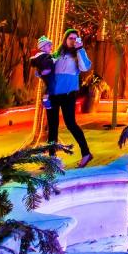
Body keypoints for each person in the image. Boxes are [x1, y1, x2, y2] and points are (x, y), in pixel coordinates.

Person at [49, 29, 93, 168]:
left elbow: (86, 67)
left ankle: (86, 153)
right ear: (65, 39)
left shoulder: (78, 54)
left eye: (75, 38)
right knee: (52, 127)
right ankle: (52, 160)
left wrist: (80, 49)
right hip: (53, 94)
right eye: (70, 37)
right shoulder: (57, 53)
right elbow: (45, 71)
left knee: (71, 124)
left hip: (68, 95)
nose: (73, 40)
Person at [30, 35, 56, 110]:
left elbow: (37, 64)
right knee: (51, 85)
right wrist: (53, 61)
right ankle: (46, 99)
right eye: (49, 46)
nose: (51, 48)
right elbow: (46, 64)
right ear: (43, 47)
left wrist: (39, 72)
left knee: (49, 86)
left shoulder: (40, 56)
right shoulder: (45, 56)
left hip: (46, 73)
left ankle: (46, 99)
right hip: (48, 73)